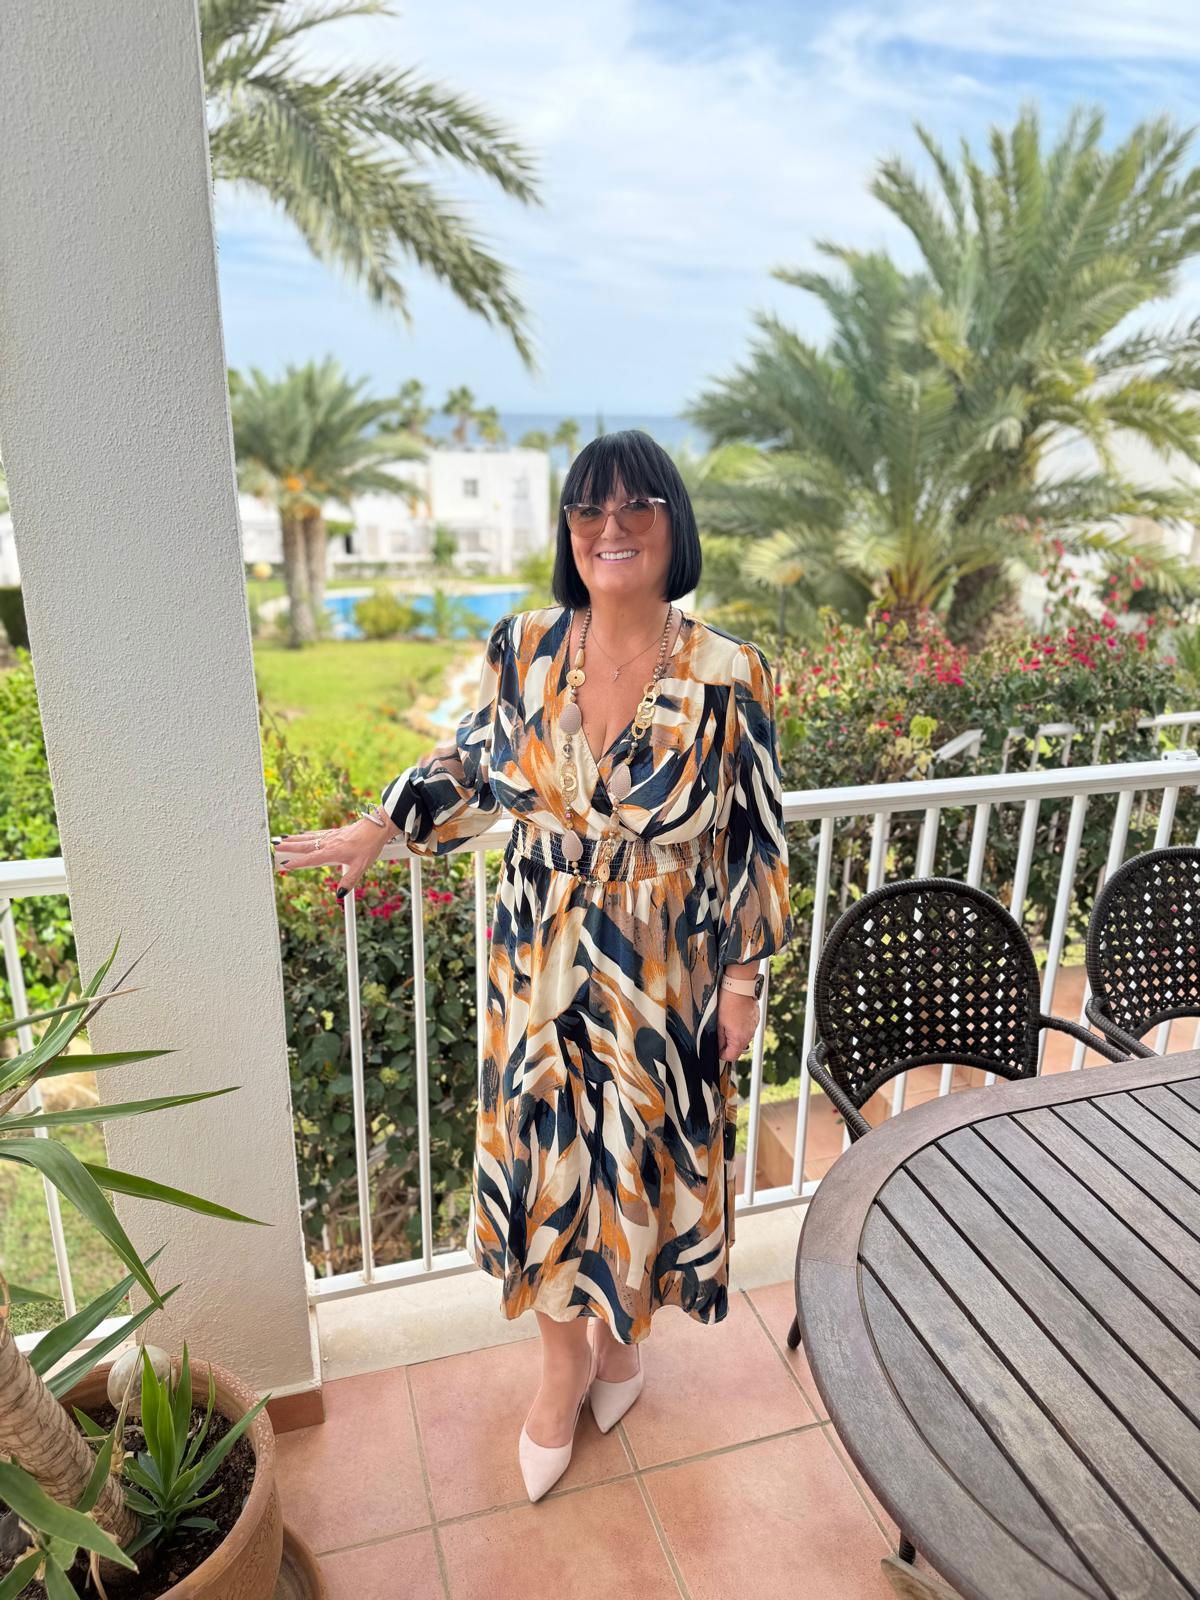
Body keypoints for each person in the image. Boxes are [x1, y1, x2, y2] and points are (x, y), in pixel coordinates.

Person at [273, 428, 793, 1502]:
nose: (612, 528)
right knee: (551, 1162)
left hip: (664, 968)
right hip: (540, 955)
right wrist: (383, 824)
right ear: (569, 532)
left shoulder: (730, 672)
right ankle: (562, 1373)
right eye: (589, 510)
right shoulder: (524, 646)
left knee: (642, 1160)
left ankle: (623, 1342)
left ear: (674, 526)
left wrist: (744, 984)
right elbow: (474, 760)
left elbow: (755, 840)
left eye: (637, 506)